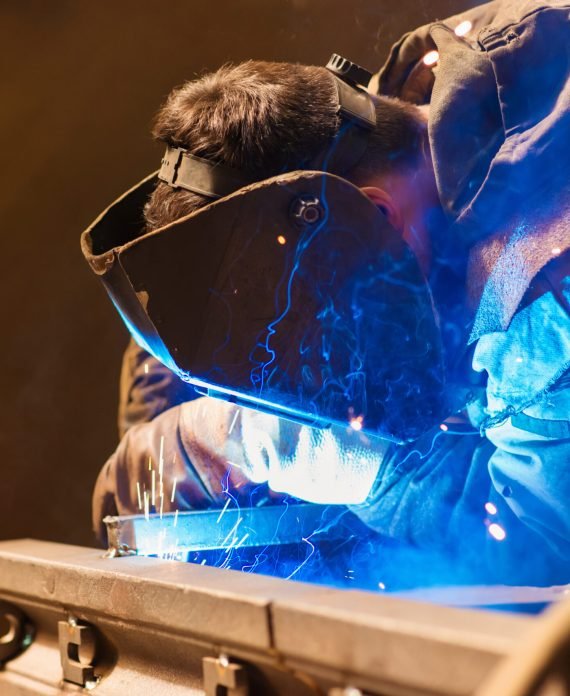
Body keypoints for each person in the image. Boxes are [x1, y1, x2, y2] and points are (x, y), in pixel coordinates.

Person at [87, 0, 570, 586]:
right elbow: (239, 283)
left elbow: (536, 549)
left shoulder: (544, 280)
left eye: (319, 344)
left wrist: (266, 443)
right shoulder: (399, 123)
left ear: (370, 220)